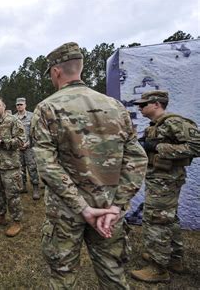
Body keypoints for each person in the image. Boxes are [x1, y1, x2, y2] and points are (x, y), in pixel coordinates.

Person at [31, 42, 148, 289]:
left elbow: (47, 166)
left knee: (63, 278)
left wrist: (82, 208)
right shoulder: (115, 106)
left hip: (65, 212)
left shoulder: (47, 108)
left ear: (56, 71)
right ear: (80, 68)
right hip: (107, 209)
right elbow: (136, 159)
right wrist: (117, 206)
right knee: (113, 275)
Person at [130, 90, 200, 282]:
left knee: (156, 221)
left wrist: (159, 147)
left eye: (143, 104)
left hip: (166, 181)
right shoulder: (157, 125)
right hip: (160, 180)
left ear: (157, 104)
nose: (140, 108)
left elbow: (197, 145)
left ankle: (157, 268)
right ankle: (173, 259)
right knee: (169, 219)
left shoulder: (174, 122)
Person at [0, 96, 26, 237]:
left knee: (12, 195)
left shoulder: (13, 121)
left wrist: (1, 142)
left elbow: (21, 141)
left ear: (4, 107)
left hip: (10, 166)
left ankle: (16, 221)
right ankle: (0, 216)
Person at [15, 97, 42, 200]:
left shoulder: (31, 116)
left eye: (21, 104)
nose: (19, 106)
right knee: (20, 168)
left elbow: (35, 132)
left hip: (29, 147)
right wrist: (18, 144)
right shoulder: (13, 118)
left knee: (32, 167)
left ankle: (35, 187)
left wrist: (29, 143)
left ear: (25, 105)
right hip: (18, 147)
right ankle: (23, 186)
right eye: (18, 105)